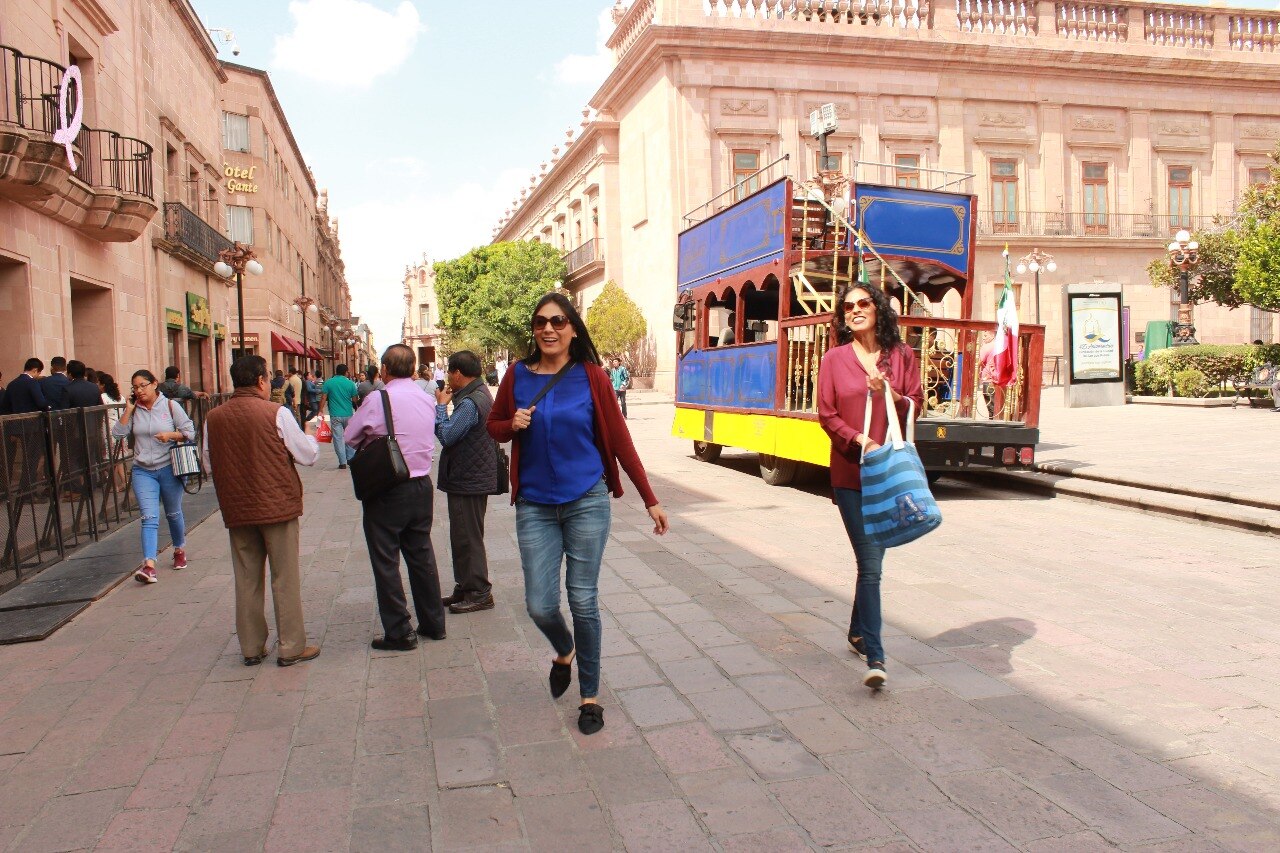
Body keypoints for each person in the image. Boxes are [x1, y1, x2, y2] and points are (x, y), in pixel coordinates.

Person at [488, 293, 669, 735]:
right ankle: (563, 646)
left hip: (586, 499)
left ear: (572, 328)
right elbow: (492, 424)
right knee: (538, 604)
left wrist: (650, 497)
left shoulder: (592, 377)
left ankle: (590, 696)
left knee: (583, 599)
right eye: (540, 322)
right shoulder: (516, 376)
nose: (548, 329)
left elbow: (621, 441)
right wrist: (510, 426)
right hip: (534, 505)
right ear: (533, 330)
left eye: (558, 321)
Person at [817, 282, 924, 691]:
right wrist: (860, 439)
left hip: (889, 472)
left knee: (870, 562)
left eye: (863, 303)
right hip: (850, 473)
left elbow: (915, 402)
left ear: (879, 309)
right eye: (848, 306)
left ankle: (858, 632)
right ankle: (876, 656)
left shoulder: (901, 356)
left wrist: (890, 392)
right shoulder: (834, 359)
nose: (855, 310)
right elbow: (826, 414)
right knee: (872, 563)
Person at [204, 355, 322, 667]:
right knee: (284, 577)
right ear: (260, 381)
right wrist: (309, 434)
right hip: (276, 506)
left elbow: (207, 462)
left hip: (238, 508)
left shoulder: (213, 418)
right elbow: (308, 455)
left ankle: (252, 647)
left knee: (246, 578)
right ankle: (291, 645)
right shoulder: (276, 413)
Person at [345, 344, 447, 651]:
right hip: (421, 485)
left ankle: (400, 630)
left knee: (386, 559)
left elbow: (350, 435)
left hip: (388, 488)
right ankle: (433, 622)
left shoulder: (379, 398)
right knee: (421, 554)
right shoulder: (426, 398)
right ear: (414, 369)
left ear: (385, 370)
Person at [112, 369, 195, 584]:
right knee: (149, 517)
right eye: (135, 387)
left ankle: (179, 549)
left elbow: (189, 431)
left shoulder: (170, 406)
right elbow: (117, 434)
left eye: (143, 385)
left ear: (154, 384)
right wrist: (128, 411)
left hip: (169, 468)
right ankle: (149, 565)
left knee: (173, 513)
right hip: (142, 470)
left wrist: (171, 435)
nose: (139, 391)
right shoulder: (135, 409)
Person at [435, 350, 500, 614]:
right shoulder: (480, 394)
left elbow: (448, 436)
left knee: (468, 536)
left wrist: (440, 407)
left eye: (450, 372)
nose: (449, 377)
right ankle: (465, 586)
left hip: (468, 479)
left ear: (458, 374)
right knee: (463, 535)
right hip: (471, 476)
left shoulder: (471, 402)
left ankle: (480, 592)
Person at [319, 364, 359, 469]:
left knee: (337, 438)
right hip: (348, 414)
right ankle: (350, 458)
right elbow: (355, 400)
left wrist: (320, 411)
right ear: (346, 372)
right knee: (349, 437)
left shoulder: (328, 382)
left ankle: (342, 462)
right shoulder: (351, 384)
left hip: (335, 415)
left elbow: (323, 398)